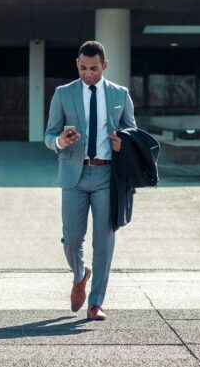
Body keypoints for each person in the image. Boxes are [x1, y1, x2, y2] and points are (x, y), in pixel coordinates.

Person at [44, 40, 136, 321]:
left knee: (104, 241)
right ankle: (80, 273)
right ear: (77, 65)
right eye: (83, 68)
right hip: (74, 173)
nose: (88, 74)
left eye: (94, 69)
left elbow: (133, 131)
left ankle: (95, 302)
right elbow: (48, 136)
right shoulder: (63, 94)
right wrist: (60, 141)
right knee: (71, 240)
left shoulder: (121, 94)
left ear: (104, 66)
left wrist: (125, 144)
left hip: (108, 175)